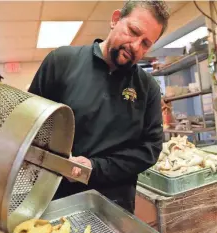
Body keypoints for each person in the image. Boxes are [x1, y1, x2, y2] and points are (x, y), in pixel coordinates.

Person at [28, 0, 169, 213]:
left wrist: (94, 168)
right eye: (133, 31)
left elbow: (149, 149)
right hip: (56, 199)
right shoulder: (62, 61)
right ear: (115, 20)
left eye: (146, 44)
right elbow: (30, 122)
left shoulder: (148, 87)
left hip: (116, 206)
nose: (135, 46)